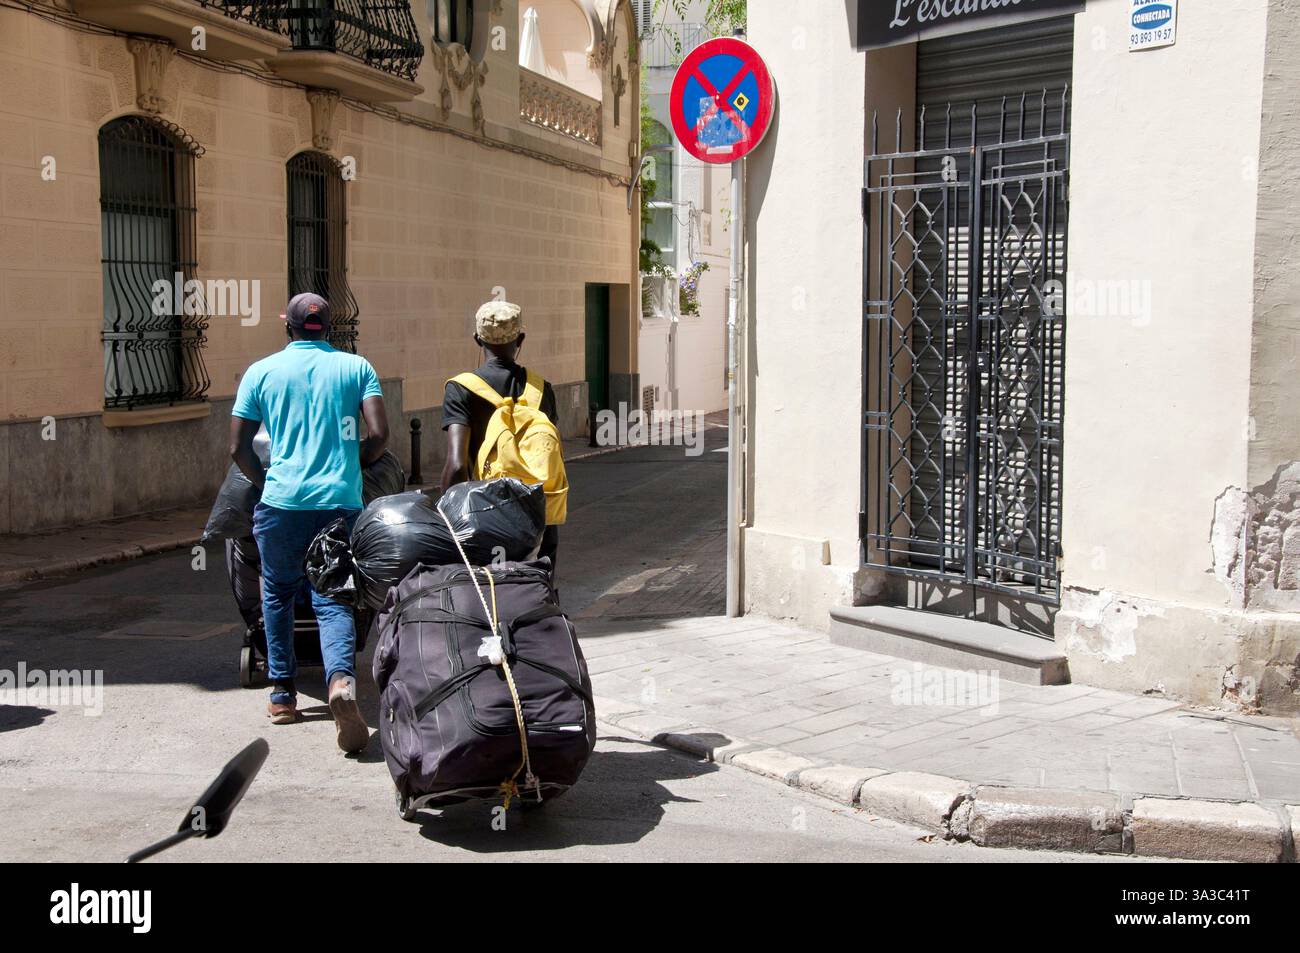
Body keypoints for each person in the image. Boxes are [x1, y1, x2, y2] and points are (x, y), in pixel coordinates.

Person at [229, 292, 388, 752]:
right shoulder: (357, 369)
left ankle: (282, 694)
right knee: (333, 595)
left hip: (281, 502)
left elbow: (237, 447)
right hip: (339, 501)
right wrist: (350, 462)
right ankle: (340, 680)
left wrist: (266, 483)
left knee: (276, 592)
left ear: (289, 328)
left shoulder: (261, 372)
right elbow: (378, 436)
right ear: (330, 328)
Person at [440, 300, 561, 571]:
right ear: (521, 339)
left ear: (477, 339)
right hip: (538, 512)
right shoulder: (541, 388)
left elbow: (458, 465)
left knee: (488, 594)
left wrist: (446, 513)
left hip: (486, 512)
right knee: (537, 591)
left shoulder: (461, 389)